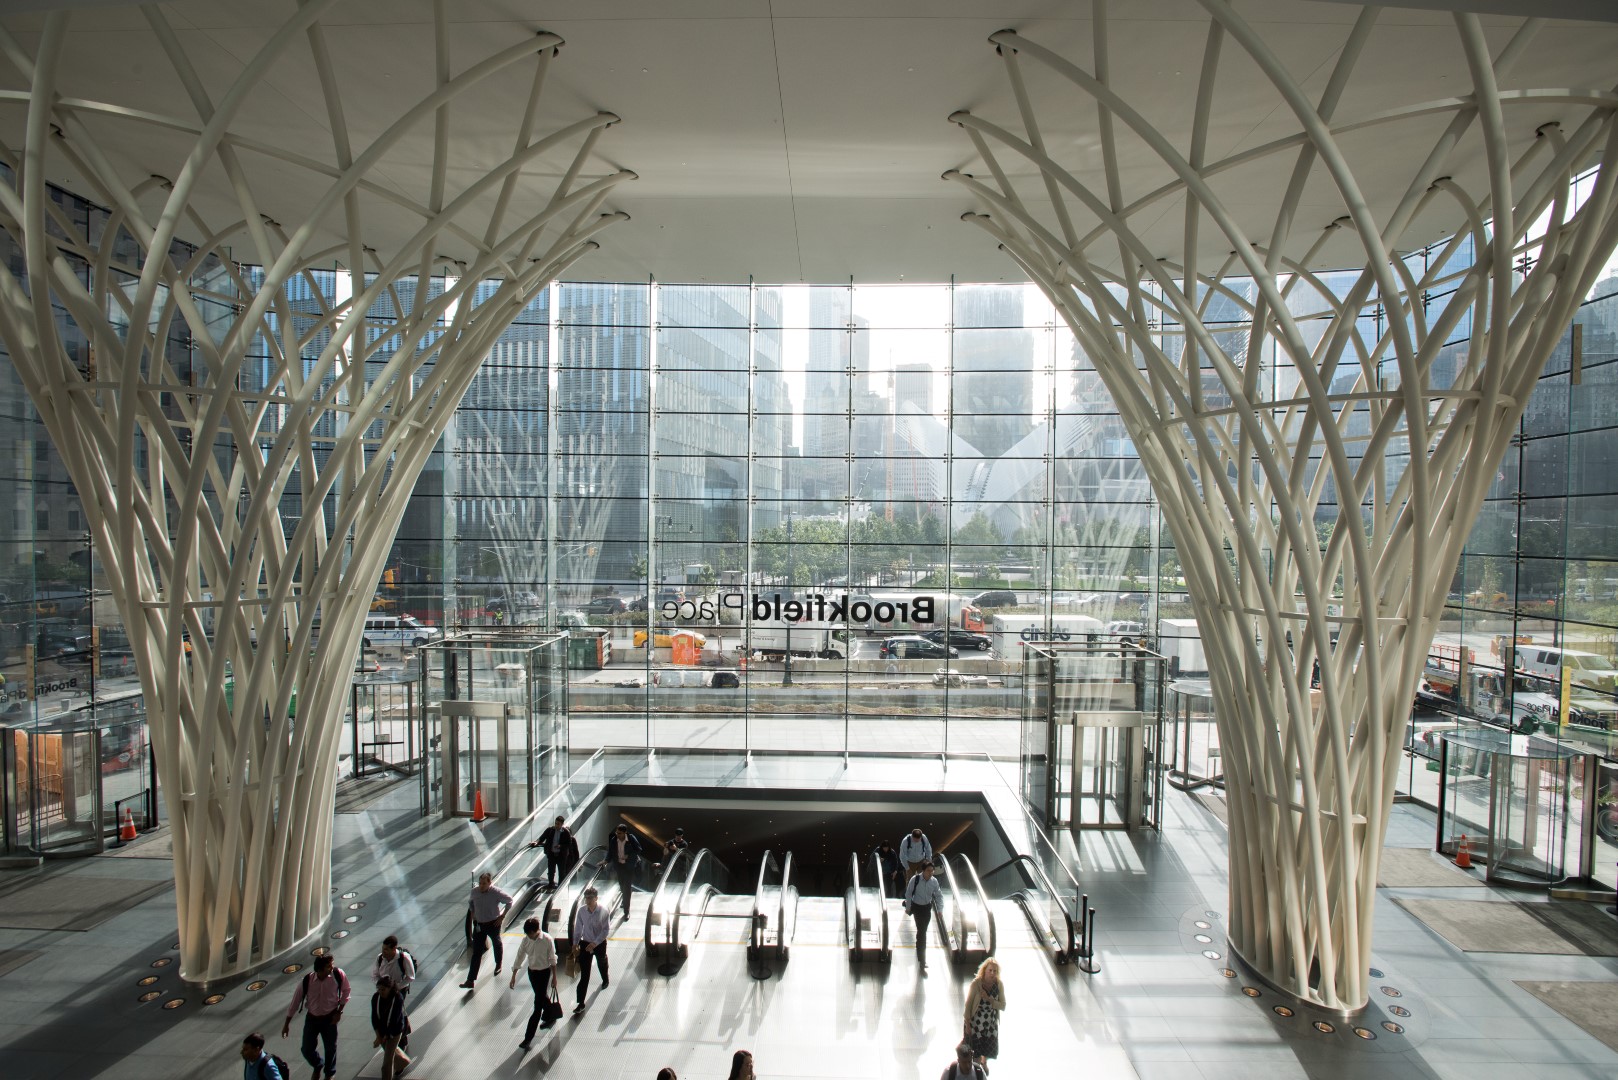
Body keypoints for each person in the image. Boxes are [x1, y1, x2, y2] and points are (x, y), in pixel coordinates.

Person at [281, 953, 350, 1080]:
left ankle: (329, 1073)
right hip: (312, 1018)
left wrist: (339, 1011)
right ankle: (318, 1064)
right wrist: (286, 1024)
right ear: (319, 969)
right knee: (306, 1049)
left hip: (330, 1018)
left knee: (330, 1048)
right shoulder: (307, 981)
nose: (332, 968)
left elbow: (346, 991)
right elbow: (295, 1003)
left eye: (332, 964)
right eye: (329, 966)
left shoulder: (338, 975)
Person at [509, 915, 559, 1050]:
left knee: (537, 1006)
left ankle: (528, 1038)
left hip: (544, 973)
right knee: (542, 997)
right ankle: (550, 1015)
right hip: (533, 973)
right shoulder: (526, 940)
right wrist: (514, 975)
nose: (529, 936)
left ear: (537, 930)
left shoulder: (547, 940)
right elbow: (520, 956)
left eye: (530, 934)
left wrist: (554, 977)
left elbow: (553, 959)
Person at [461, 871, 513, 988]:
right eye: (480, 883)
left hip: (492, 923)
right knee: (476, 952)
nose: (481, 886)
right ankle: (470, 980)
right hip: (479, 924)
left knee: (496, 942)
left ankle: (498, 964)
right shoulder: (474, 892)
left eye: (484, 883)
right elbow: (471, 904)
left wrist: (502, 916)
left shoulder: (496, 892)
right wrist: (474, 914)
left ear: (490, 883)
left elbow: (509, 900)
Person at [962, 957, 1006, 1074]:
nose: (992, 973)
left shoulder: (999, 985)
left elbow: (1003, 1005)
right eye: (990, 970)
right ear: (985, 970)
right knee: (975, 1049)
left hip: (990, 1022)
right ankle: (976, 1069)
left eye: (994, 971)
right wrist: (967, 1024)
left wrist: (989, 999)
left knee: (986, 1047)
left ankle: (983, 1063)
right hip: (976, 1022)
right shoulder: (976, 984)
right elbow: (968, 1004)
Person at [573, 885, 613, 1013]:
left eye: (590, 898)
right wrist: (575, 943)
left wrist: (595, 943)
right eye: (586, 898)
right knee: (585, 974)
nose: (588, 900)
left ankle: (605, 978)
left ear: (596, 898)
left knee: (601, 961)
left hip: (599, 943)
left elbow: (606, 930)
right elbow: (578, 928)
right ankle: (580, 1003)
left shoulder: (603, 911)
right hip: (586, 943)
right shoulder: (582, 911)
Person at [905, 860, 943, 973]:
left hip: (927, 909)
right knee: (922, 932)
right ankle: (922, 960)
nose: (931, 873)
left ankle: (919, 950)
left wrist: (940, 910)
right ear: (923, 870)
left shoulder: (934, 881)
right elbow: (908, 893)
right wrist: (908, 907)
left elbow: (939, 896)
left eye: (932, 870)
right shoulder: (915, 879)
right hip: (917, 908)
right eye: (928, 870)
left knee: (922, 932)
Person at [370, 977, 409, 1080]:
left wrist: (386, 1036)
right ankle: (403, 1061)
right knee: (390, 1052)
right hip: (382, 1031)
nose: (380, 992)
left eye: (383, 989)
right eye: (378, 989)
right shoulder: (375, 998)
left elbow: (394, 1020)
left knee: (387, 1062)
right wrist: (379, 1036)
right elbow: (374, 1018)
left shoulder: (397, 998)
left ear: (390, 989)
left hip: (394, 1032)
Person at [530, 815, 581, 886]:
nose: (556, 825)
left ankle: (560, 886)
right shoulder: (550, 830)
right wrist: (536, 842)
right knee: (551, 870)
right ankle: (551, 884)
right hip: (552, 854)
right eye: (556, 823)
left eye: (558, 824)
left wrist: (561, 846)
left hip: (561, 856)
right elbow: (542, 837)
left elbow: (569, 844)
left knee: (561, 872)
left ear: (562, 824)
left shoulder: (566, 832)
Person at [607, 822, 643, 918]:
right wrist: (606, 860)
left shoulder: (631, 839)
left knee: (627, 887)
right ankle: (625, 899)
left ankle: (626, 911)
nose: (617, 835)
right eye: (617, 833)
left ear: (625, 833)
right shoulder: (614, 840)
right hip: (619, 866)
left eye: (619, 833)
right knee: (622, 886)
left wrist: (629, 856)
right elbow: (610, 852)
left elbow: (638, 849)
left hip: (629, 867)